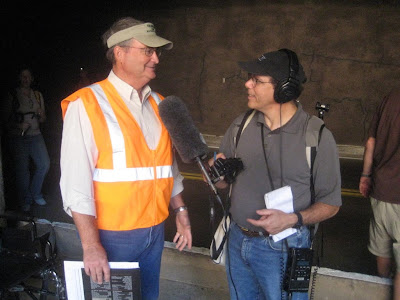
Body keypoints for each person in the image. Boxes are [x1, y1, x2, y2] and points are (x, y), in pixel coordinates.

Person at [59, 17, 192, 299]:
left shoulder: (160, 104)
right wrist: (91, 245)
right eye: (148, 50)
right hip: (112, 236)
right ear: (119, 53)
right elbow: (75, 185)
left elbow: (169, 166)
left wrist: (180, 211)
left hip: (155, 231)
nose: (156, 58)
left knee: (148, 295)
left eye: (157, 52)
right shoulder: (87, 105)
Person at [210, 49, 342, 299]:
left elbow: (331, 204)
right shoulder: (240, 125)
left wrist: (292, 219)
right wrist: (218, 174)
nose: (247, 84)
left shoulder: (316, 136)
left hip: (284, 248)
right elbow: (222, 185)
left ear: (284, 89)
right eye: (250, 77)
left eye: (257, 80)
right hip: (237, 241)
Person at [359, 87, 400, 300]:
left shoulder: (390, 98)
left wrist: (366, 175)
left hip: (382, 189)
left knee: (382, 251)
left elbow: (370, 142)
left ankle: (382, 286)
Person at [2, 68, 49, 212]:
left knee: (44, 164)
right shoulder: (12, 95)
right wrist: (18, 125)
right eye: (23, 76)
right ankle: (25, 200)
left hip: (36, 135)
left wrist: (41, 115)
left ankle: (35, 193)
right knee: (23, 170)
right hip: (18, 137)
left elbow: (43, 118)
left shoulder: (37, 95)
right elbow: (4, 120)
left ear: (32, 79)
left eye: (28, 76)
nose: (25, 79)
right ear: (19, 78)